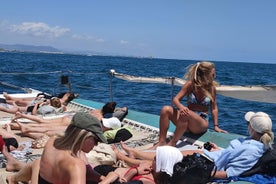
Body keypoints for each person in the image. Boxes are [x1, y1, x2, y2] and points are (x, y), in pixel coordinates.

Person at [114, 111, 274, 180]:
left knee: (165, 156)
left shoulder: (251, 149)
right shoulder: (254, 144)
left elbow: (230, 173)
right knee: (169, 153)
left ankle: (127, 156)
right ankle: (134, 155)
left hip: (205, 164)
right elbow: (233, 156)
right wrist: (219, 150)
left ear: (251, 127)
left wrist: (201, 172)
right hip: (208, 156)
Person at [5, 112, 108, 184]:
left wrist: (100, 177)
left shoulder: (53, 141)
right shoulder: (76, 164)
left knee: (37, 163)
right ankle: (14, 174)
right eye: (96, 140)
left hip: (44, 180)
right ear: (84, 136)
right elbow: (76, 169)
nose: (96, 145)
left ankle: (13, 177)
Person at [153, 61, 227, 149]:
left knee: (187, 114)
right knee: (166, 109)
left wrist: (216, 126)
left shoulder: (211, 88)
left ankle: (172, 143)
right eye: (213, 74)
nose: (214, 76)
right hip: (186, 122)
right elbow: (176, 99)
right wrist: (181, 107)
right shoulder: (190, 85)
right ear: (205, 75)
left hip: (200, 124)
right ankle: (162, 141)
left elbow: (214, 108)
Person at [97, 145, 183, 184]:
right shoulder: (151, 168)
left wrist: (135, 171)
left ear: (161, 165)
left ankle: (123, 157)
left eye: (156, 159)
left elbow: (122, 181)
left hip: (110, 174)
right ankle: (127, 156)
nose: (152, 159)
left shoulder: (147, 181)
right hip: (110, 171)